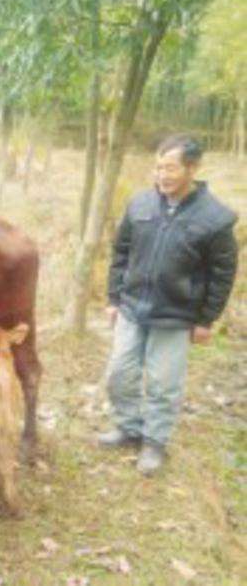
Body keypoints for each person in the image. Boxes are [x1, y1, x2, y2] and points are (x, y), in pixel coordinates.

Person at [99, 133, 238, 475]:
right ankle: (128, 428)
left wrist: (206, 319)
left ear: (192, 168)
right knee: (119, 373)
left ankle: (154, 443)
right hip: (132, 307)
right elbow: (120, 253)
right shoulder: (140, 204)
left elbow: (223, 273)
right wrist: (114, 297)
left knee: (163, 384)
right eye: (159, 167)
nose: (162, 175)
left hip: (175, 316)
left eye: (171, 168)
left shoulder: (216, 218)